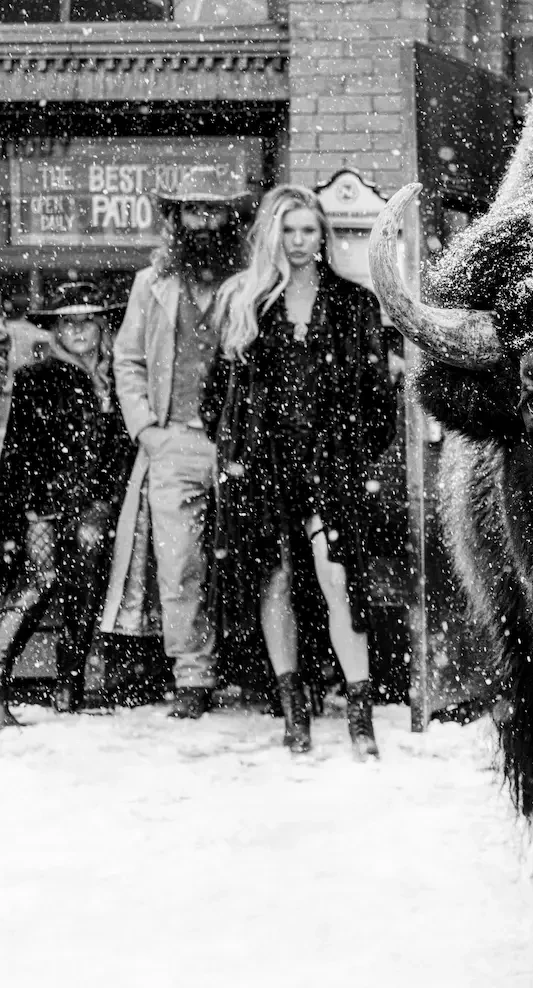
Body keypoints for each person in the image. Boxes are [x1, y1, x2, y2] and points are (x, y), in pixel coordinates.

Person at [207, 183, 396, 758]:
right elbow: (217, 395)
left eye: (307, 230)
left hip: (331, 464)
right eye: (287, 231)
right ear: (273, 235)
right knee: (276, 581)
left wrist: (359, 454)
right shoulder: (249, 303)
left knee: (339, 580)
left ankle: (360, 717)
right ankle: (294, 715)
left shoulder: (354, 303)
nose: (297, 241)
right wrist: (233, 450)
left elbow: (377, 399)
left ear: (323, 235)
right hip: (264, 466)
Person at [102, 169, 254, 719]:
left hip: (239, 447)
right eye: (193, 211)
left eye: (213, 211)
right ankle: (193, 676)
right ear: (177, 219)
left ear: (230, 218)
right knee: (179, 564)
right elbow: (127, 359)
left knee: (250, 562)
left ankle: (256, 669)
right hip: (173, 444)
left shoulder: (253, 281)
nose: (204, 222)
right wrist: (146, 429)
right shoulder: (152, 284)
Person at [0, 284, 131, 723]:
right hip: (45, 505)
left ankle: (69, 683)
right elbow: (19, 453)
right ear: (56, 327)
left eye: (86, 319)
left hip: (94, 505)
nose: (77, 329)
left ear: (101, 325)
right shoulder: (36, 378)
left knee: (87, 583)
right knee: (38, 582)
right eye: (67, 320)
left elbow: (120, 450)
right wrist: (32, 510)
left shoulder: (117, 378)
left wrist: (105, 501)